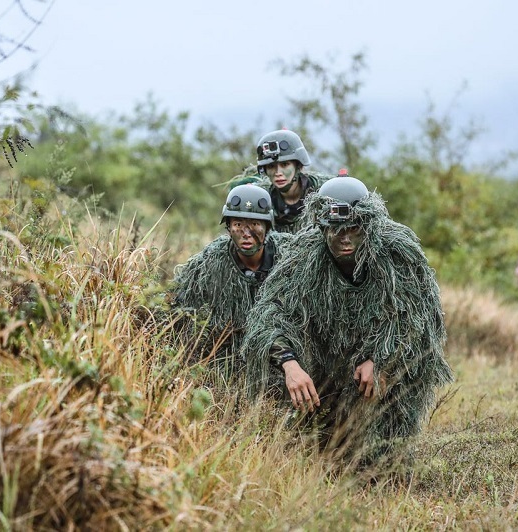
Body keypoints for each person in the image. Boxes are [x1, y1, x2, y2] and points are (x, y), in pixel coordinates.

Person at [242, 175, 453, 475]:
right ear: (323, 228)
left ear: (367, 225)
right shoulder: (304, 256)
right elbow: (270, 313)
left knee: (378, 467)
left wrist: (382, 361)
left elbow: (417, 321)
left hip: (381, 369)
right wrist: (290, 364)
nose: (344, 239)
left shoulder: (396, 254)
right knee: (318, 458)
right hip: (328, 365)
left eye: (353, 229)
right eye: (335, 230)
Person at [170, 184, 291, 377]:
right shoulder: (208, 265)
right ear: (228, 227)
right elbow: (181, 311)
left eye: (255, 224)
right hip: (229, 359)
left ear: (267, 227)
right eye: (238, 224)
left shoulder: (288, 257)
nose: (246, 232)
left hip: (282, 353)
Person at [255, 129, 329, 233]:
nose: (278, 173)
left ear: (298, 165)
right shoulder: (261, 199)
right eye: (271, 166)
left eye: (285, 165)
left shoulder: (324, 192)